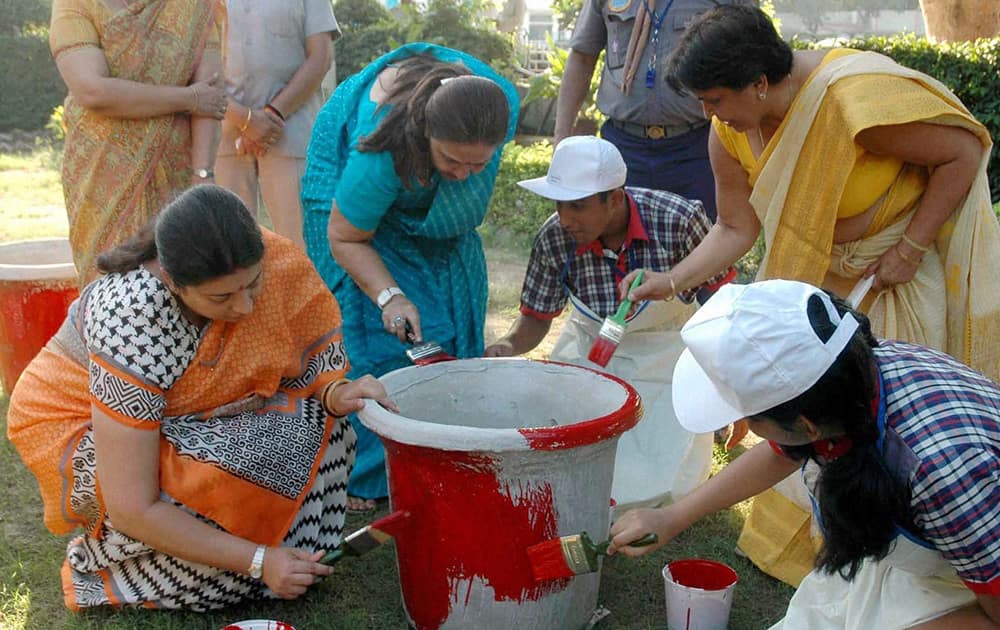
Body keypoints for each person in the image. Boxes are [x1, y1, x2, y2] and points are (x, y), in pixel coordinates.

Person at [620, 4, 1000, 585]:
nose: (707, 114)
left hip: (895, 270)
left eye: (716, 98)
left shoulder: (851, 99)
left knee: (873, 424)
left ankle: (913, 565)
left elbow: (964, 154)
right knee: (806, 423)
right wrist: (669, 281)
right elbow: (734, 227)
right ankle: (828, 558)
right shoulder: (729, 127)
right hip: (820, 282)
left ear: (760, 82)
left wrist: (912, 246)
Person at [6, 185, 396, 610]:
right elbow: (133, 505)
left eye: (253, 285)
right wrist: (258, 562)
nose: (246, 306)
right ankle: (116, 571)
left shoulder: (269, 258)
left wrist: (337, 393)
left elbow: (308, 367)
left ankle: (287, 556)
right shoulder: (134, 316)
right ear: (173, 282)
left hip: (190, 415)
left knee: (322, 427)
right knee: (221, 479)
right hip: (79, 425)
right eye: (221, 297)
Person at [608, 279, 1000, 629]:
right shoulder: (842, 377)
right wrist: (671, 517)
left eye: (748, 416)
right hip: (924, 558)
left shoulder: (944, 472)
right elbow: (783, 453)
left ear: (806, 424)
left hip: (968, 586)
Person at [301, 43, 519, 513]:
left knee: (451, 320)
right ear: (424, 134)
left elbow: (460, 178)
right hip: (349, 216)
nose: (464, 176)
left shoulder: (496, 107)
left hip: (433, 218)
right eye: (452, 161)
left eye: (478, 165)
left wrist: (453, 170)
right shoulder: (381, 147)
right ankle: (367, 475)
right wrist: (390, 296)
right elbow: (346, 238)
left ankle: (446, 448)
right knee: (379, 346)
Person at [485, 136, 734, 511]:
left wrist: (723, 384)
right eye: (559, 204)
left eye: (578, 206)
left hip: (666, 355)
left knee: (662, 486)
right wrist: (505, 347)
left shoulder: (679, 220)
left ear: (615, 198)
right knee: (559, 461)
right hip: (590, 353)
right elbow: (535, 322)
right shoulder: (554, 238)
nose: (566, 219)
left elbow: (720, 300)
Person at [49, 0, 229, 284]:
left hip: (176, 173)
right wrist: (189, 99)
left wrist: (203, 175)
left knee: (180, 279)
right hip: (101, 176)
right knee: (105, 281)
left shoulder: (193, 6)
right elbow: (93, 91)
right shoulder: (77, 4)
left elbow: (211, 92)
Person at [553, 0, 757, 220]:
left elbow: (752, 57)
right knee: (619, 243)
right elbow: (583, 57)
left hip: (698, 149)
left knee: (703, 239)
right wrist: (561, 141)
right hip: (623, 147)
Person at [215, 0, 340, 249]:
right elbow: (192, 61)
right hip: (222, 127)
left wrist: (271, 115)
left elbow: (321, 57)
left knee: (302, 243)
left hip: (291, 126)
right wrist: (245, 119)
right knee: (229, 245)